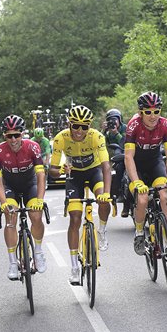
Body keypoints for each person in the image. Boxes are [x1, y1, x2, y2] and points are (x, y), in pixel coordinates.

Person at [49, 105, 112, 284]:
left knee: (103, 200)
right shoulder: (60, 138)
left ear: (89, 126)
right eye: (75, 125)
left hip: (94, 172)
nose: (79, 130)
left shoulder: (96, 137)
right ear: (69, 123)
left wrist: (106, 193)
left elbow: (106, 166)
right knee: (75, 217)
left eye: (84, 127)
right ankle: (74, 268)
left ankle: (102, 230)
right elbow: (51, 171)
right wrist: (61, 169)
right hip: (73, 176)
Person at [0, 115, 47, 280]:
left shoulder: (33, 147)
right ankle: (12, 263)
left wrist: (40, 199)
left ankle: (38, 252)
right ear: (4, 136)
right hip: (10, 187)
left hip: (30, 184)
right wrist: (3, 203)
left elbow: (41, 174)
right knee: (10, 217)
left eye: (17, 135)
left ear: (23, 134)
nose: (14, 139)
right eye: (10, 136)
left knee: (36, 215)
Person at [124, 92, 167, 256]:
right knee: (142, 198)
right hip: (137, 166)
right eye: (148, 112)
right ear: (141, 112)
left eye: (156, 111)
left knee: (163, 197)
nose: (153, 116)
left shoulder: (165, 125)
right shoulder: (133, 125)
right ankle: (140, 234)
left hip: (155, 163)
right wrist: (136, 181)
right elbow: (128, 157)